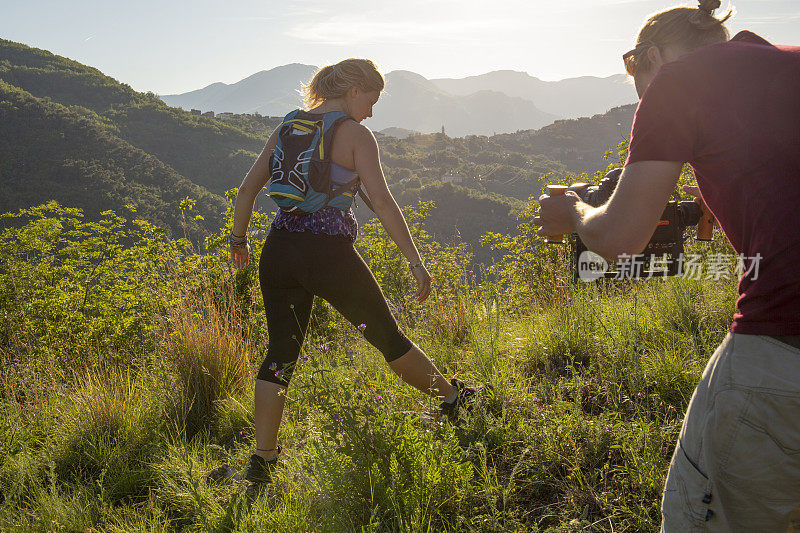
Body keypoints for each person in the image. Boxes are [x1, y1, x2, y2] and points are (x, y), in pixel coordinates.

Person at [535, 1, 800, 531]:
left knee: (694, 513)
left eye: (635, 71)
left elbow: (618, 239)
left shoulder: (678, 81)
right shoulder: (786, 63)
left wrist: (574, 211)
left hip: (781, 339)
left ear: (649, 56)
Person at [226, 59, 475, 487]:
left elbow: (249, 188)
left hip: (279, 251)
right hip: (330, 256)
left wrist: (239, 240)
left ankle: (262, 462)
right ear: (355, 90)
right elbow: (381, 201)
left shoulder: (288, 126)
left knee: (281, 354)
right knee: (388, 337)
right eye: (372, 100)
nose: (372, 112)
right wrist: (415, 262)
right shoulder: (357, 136)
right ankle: (454, 401)